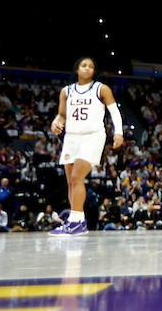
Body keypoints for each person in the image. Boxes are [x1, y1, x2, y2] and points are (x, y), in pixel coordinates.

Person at [48, 57, 124, 236]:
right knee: (71, 182)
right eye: (84, 65)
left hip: (92, 136)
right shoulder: (66, 92)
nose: (87, 69)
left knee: (77, 177)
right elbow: (61, 116)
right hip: (72, 137)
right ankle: (77, 221)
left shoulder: (101, 88)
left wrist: (118, 132)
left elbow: (114, 111)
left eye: (91, 66)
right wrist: (55, 123)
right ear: (77, 69)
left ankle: (75, 221)